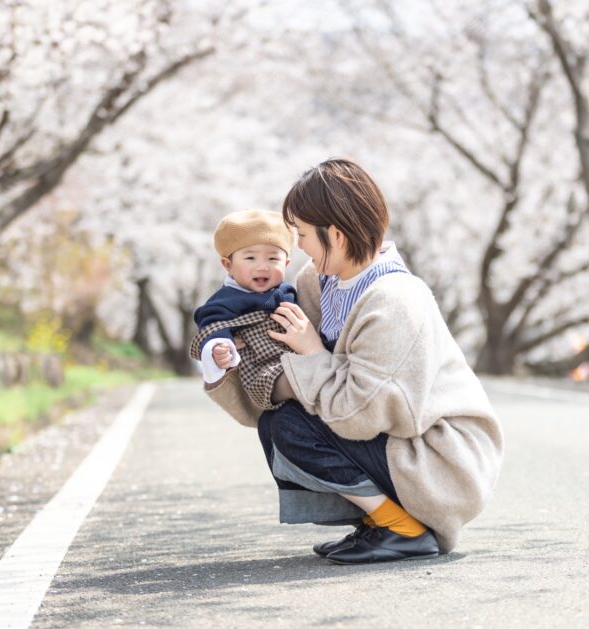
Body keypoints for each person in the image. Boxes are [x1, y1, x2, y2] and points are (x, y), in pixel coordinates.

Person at [203, 159, 504, 565]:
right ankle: (378, 522)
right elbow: (283, 367)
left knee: (292, 425)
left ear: (337, 235)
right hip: (398, 441)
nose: (299, 248)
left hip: (440, 460)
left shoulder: (395, 300)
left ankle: (403, 528)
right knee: (280, 420)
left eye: (304, 235)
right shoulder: (319, 280)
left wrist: (311, 352)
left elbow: (359, 414)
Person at [191, 209, 296, 410]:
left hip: (294, 359)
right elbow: (211, 325)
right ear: (228, 265)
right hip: (260, 370)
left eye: (273, 259)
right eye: (250, 258)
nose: (263, 266)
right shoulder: (226, 299)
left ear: (286, 263)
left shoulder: (288, 292)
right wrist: (219, 347)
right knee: (298, 385)